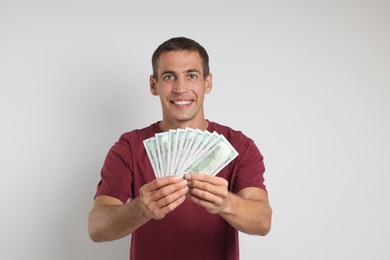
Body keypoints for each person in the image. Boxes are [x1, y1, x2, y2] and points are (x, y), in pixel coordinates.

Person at [88, 36, 272, 260]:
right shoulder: (129, 147)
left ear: (208, 83)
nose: (181, 88)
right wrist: (141, 209)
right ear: (153, 85)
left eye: (191, 76)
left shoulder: (239, 146)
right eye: (169, 77)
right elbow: (96, 227)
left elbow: (262, 221)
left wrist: (226, 202)